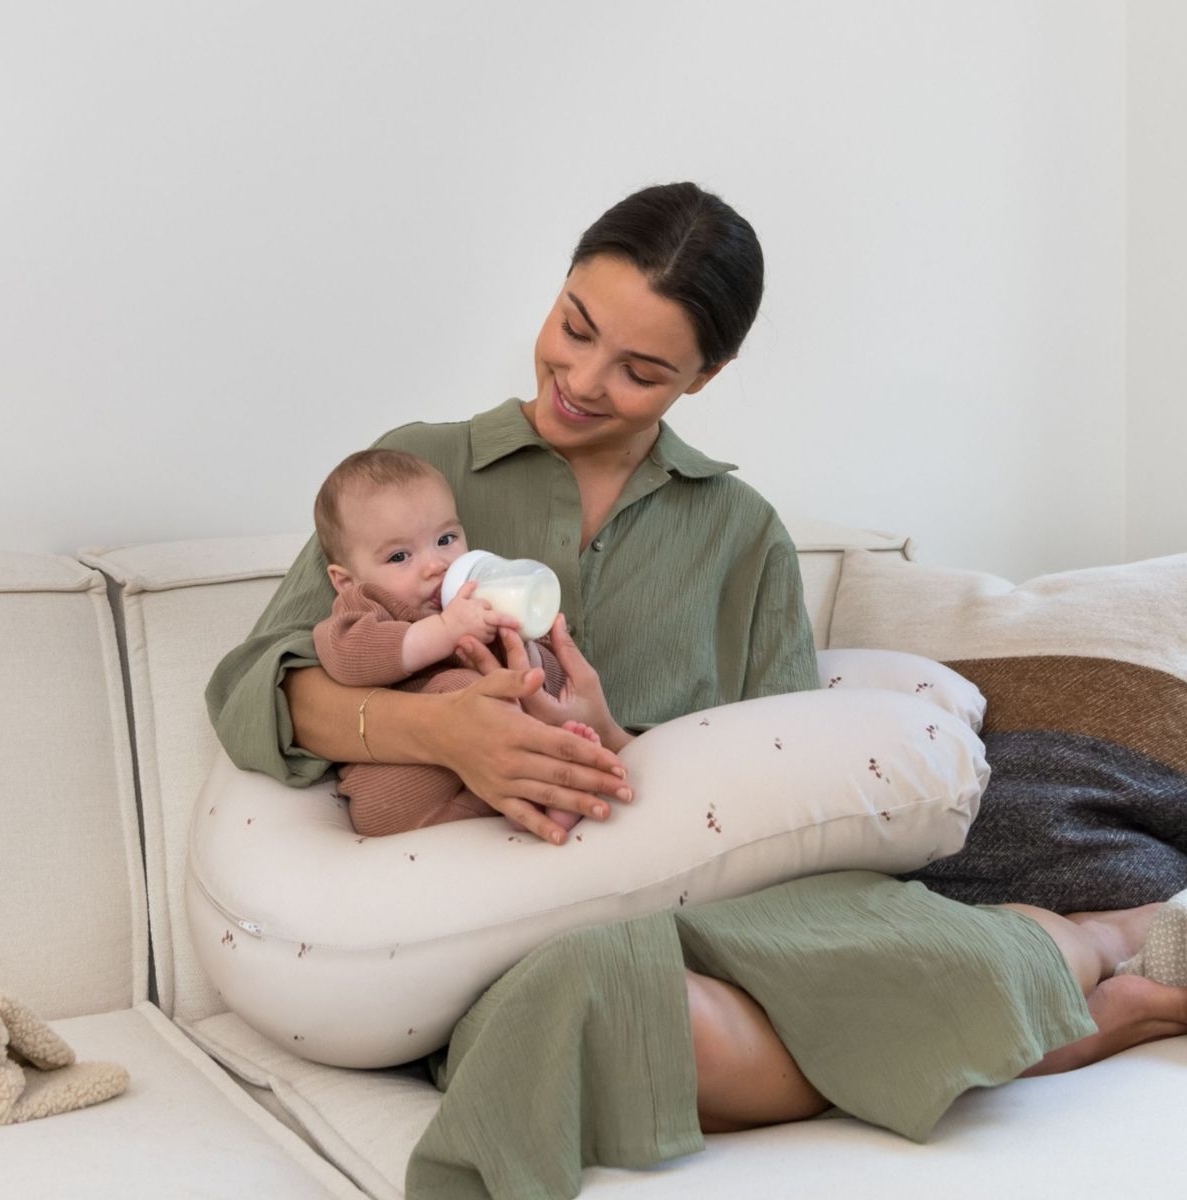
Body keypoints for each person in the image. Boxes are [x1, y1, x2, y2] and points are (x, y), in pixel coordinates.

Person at [207, 183, 1187, 1188]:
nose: (581, 380)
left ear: (706, 376)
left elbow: (805, 800)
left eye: (641, 370)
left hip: (713, 902)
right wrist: (446, 738)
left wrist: (615, 736)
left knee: (915, 957)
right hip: (499, 925)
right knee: (620, 1015)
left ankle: (1104, 942)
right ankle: (1080, 992)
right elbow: (259, 684)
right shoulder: (415, 479)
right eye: (573, 327)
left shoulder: (742, 534)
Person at [310, 446, 593, 837]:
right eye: (399, 557)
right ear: (346, 579)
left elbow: (541, 688)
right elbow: (347, 655)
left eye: (446, 538)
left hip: (478, 782)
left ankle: (546, 798)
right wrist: (444, 630)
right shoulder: (366, 603)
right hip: (395, 794)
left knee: (515, 681)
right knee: (460, 689)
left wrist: (525, 646)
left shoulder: (472, 604)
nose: (435, 565)